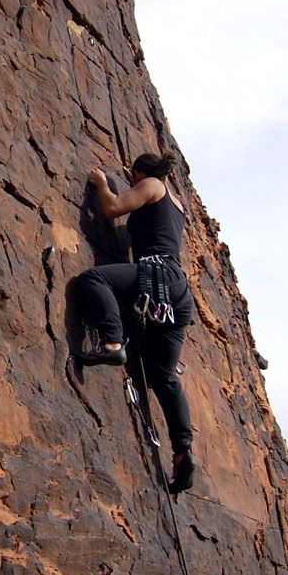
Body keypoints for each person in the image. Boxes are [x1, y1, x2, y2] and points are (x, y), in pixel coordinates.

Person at [75, 150, 196, 493]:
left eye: (132, 178)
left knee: (93, 280)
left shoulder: (152, 184)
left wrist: (100, 183)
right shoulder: (176, 207)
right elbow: (141, 233)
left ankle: (112, 343)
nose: (131, 183)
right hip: (177, 291)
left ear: (139, 173)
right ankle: (183, 451)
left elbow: (112, 207)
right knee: (163, 376)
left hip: (157, 277)